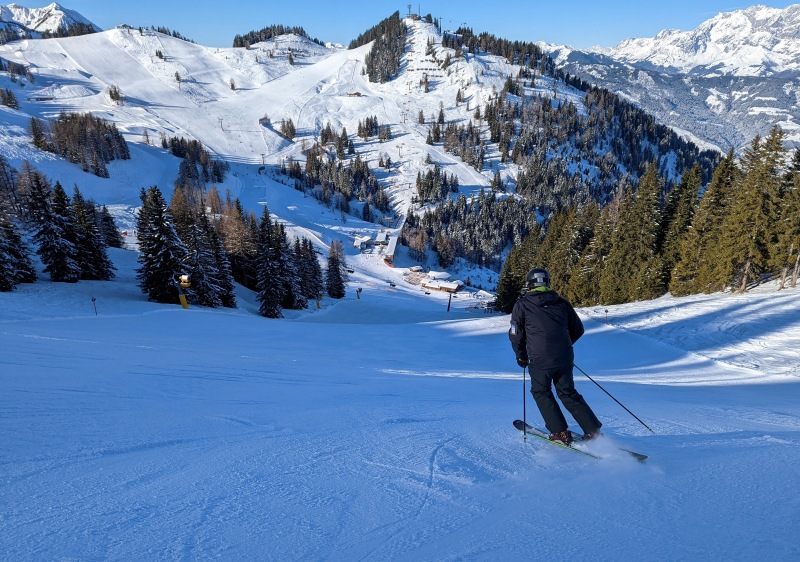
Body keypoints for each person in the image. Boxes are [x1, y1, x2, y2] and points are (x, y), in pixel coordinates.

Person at [508, 267, 602, 445]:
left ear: (529, 285)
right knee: (568, 392)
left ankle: (559, 432)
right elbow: (578, 329)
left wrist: (521, 355)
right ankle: (593, 432)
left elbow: (515, 333)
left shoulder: (522, 304)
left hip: (539, 359)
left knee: (541, 391)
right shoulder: (562, 303)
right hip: (565, 357)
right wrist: (562, 347)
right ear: (548, 283)